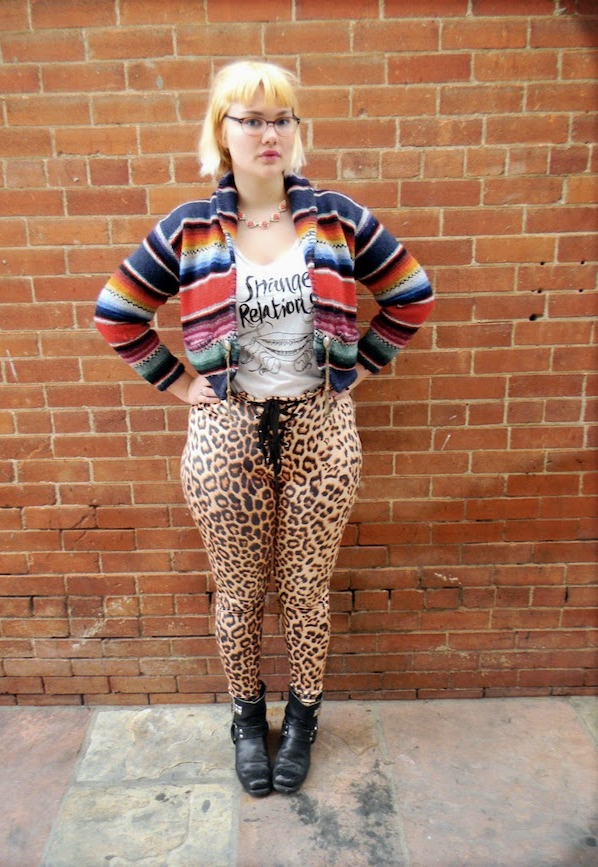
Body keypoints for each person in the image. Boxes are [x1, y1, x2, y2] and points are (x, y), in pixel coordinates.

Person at [94, 60, 434, 798]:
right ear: (223, 132)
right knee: (239, 593)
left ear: (295, 129)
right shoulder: (189, 228)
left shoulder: (337, 219)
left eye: (281, 118)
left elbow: (410, 293)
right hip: (226, 435)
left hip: (321, 429)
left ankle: (302, 720)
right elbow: (118, 313)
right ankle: (247, 721)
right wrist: (181, 384)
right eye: (251, 120)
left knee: (307, 590)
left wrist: (359, 367)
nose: (268, 133)